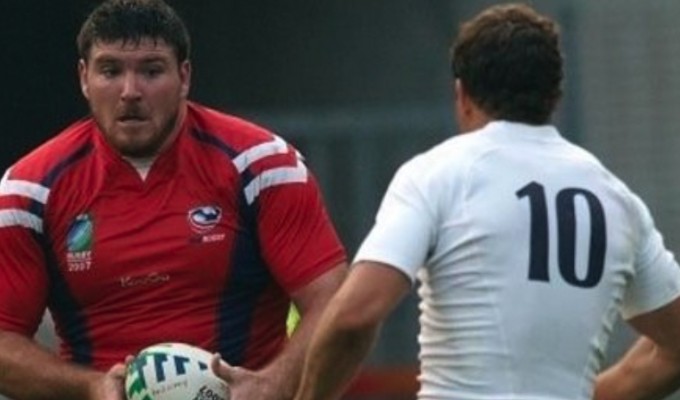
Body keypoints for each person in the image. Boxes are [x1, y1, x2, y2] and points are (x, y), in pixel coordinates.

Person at [294, 3, 680, 400]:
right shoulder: (618, 200)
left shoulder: (439, 173)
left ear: (462, 94)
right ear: (555, 97)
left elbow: (356, 315)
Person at [0, 0, 347, 399]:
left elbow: (336, 302)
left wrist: (273, 384)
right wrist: (90, 388)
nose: (130, 91)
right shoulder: (29, 191)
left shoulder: (262, 166)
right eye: (110, 71)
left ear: (184, 77)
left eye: (151, 70)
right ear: (83, 78)